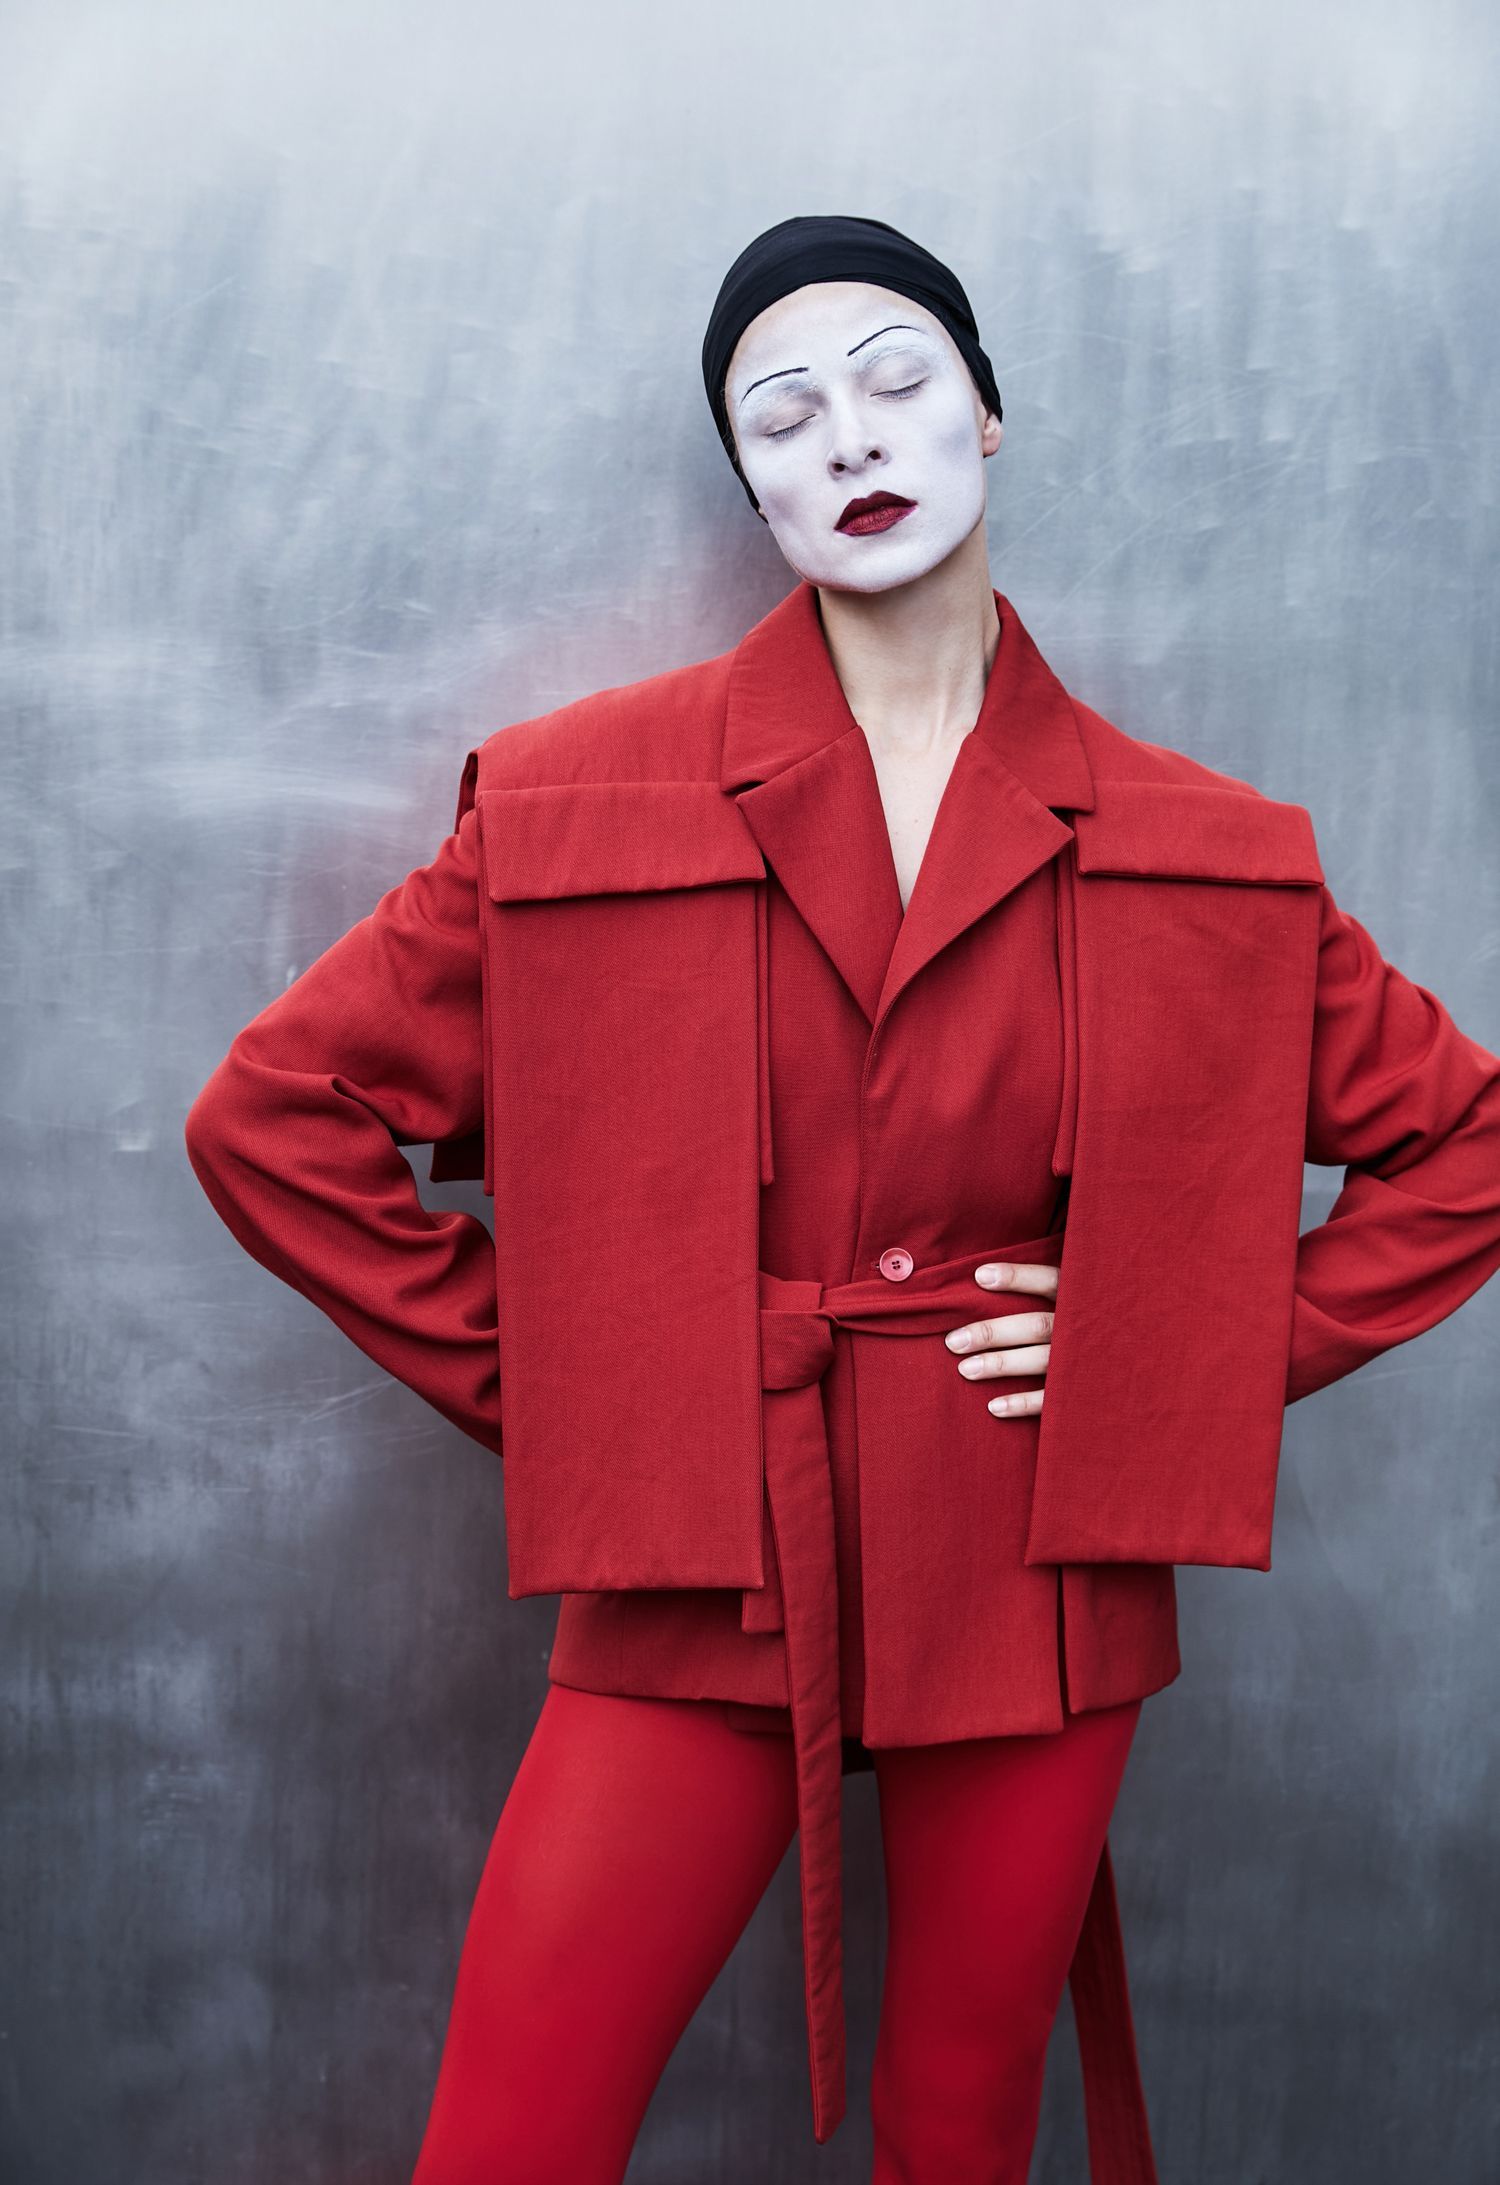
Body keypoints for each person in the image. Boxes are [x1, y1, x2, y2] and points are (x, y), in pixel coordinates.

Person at [183, 215, 1500, 2185]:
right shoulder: (570, 798)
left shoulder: (1202, 846)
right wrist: (584, 1395)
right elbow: (272, 1116)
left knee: (961, 2130)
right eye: (780, 416)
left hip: (1037, 1561)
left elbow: (1467, 1144)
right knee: (512, 2135)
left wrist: (1173, 1354)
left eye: (895, 378)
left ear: (988, 412)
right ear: (751, 486)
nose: (849, 437)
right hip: (703, 1558)